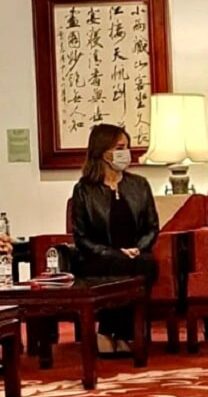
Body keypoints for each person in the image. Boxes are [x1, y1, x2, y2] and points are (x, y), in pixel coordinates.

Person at [71, 124, 159, 355]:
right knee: (119, 265)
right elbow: (80, 237)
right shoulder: (83, 190)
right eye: (120, 148)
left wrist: (138, 249)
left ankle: (111, 332)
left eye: (127, 147)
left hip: (136, 255)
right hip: (98, 257)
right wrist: (113, 253)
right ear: (103, 152)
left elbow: (152, 227)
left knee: (145, 264)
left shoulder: (139, 185)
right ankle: (119, 334)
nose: (125, 153)